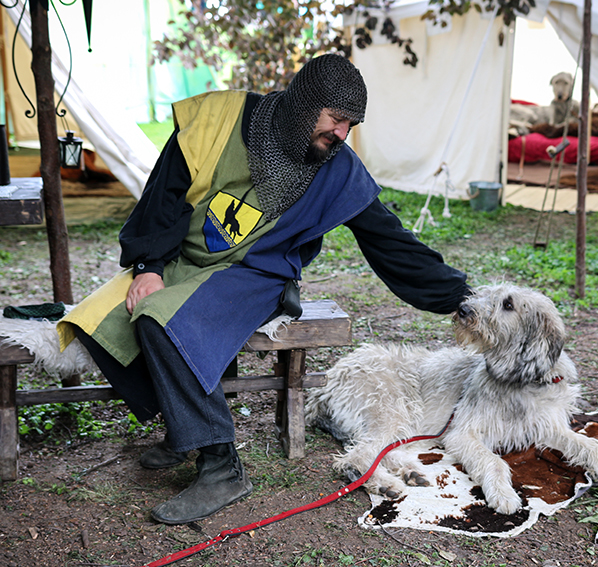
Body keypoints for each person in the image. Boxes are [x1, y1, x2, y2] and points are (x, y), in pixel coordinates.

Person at [56, 53, 470, 525]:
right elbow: (165, 190)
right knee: (100, 320)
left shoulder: (339, 169)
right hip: (182, 259)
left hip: (258, 272)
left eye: (350, 125)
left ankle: (220, 464)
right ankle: (181, 425)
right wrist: (149, 264)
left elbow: (391, 242)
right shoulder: (220, 120)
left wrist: (461, 296)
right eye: (336, 119)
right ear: (304, 104)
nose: (341, 135)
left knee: (162, 322)